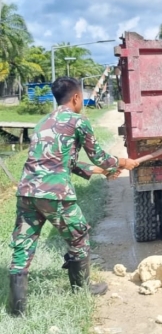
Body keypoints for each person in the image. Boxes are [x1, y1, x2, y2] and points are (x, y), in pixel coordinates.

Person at [8, 77, 139, 316]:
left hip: (27, 191)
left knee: (23, 246)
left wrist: (100, 171)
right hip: (56, 194)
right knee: (78, 236)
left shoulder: (42, 123)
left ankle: (16, 308)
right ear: (76, 97)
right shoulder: (78, 121)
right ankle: (82, 289)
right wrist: (121, 162)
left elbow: (60, 160)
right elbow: (98, 155)